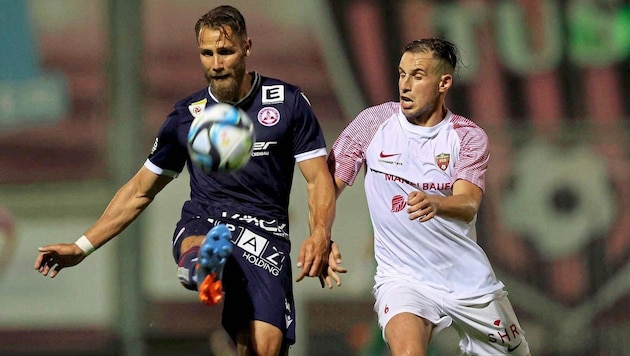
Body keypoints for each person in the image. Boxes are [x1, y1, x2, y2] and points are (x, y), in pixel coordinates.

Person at [34, 5, 345, 356]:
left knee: (265, 349)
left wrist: (320, 234)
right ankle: (201, 264)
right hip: (208, 218)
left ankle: (207, 266)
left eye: (225, 52)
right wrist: (81, 247)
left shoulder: (288, 103)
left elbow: (319, 180)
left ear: (247, 47)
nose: (216, 63)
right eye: (207, 53)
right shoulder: (187, 116)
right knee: (203, 238)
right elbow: (139, 191)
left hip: (266, 234)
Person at [327, 38, 531, 355]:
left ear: (443, 82)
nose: (405, 85)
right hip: (403, 278)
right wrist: (319, 233)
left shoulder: (466, 136)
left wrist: (437, 203)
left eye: (418, 75)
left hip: (467, 282)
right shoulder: (374, 123)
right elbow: (326, 185)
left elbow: (468, 204)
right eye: (401, 74)